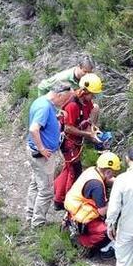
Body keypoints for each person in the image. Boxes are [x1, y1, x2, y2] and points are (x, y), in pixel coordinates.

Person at [53, 73, 104, 209]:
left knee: (69, 169)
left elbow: (87, 118)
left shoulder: (86, 102)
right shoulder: (72, 105)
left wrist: (91, 129)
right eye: (92, 94)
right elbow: (69, 128)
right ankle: (65, 201)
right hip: (69, 142)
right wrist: (87, 135)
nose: (93, 97)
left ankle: (58, 198)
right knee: (73, 171)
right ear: (84, 91)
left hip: (76, 141)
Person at [26, 83, 72, 228]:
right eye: (65, 99)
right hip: (42, 156)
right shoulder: (44, 107)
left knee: (35, 184)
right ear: (59, 95)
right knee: (46, 190)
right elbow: (34, 129)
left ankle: (30, 215)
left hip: (36, 153)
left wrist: (56, 118)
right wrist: (42, 149)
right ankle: (38, 223)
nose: (65, 103)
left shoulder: (43, 102)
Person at [64, 152, 121, 252]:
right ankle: (82, 243)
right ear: (107, 172)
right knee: (106, 234)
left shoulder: (92, 170)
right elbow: (102, 211)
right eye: (113, 173)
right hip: (81, 219)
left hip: (73, 212)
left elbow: (108, 180)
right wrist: (116, 201)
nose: (114, 175)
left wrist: (123, 183)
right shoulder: (97, 185)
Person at [37, 54, 100, 125]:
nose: (87, 75)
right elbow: (42, 87)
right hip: (63, 107)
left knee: (95, 108)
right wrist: (48, 109)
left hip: (77, 105)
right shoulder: (63, 78)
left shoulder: (87, 79)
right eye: (85, 72)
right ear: (78, 67)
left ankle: (90, 131)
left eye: (89, 72)